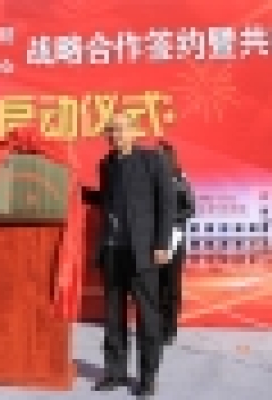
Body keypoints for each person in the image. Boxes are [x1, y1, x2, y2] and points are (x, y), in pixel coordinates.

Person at [82, 114, 174, 398]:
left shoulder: (153, 160)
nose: (114, 135)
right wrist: (77, 191)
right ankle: (115, 372)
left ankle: (147, 377)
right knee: (113, 316)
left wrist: (162, 244)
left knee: (147, 317)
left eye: (120, 129)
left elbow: (167, 204)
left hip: (142, 251)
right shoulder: (106, 164)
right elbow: (106, 199)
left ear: (135, 132)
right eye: (110, 130)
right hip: (113, 250)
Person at [158, 141, 195, 346]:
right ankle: (156, 326)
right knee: (156, 284)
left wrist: (170, 219)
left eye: (162, 156)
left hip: (174, 237)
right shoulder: (152, 179)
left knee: (171, 284)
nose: (158, 160)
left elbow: (190, 209)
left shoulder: (180, 180)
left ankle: (170, 328)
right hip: (155, 238)